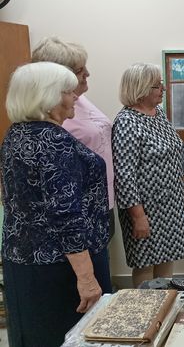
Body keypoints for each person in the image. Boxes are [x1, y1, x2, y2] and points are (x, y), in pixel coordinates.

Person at [1, 62, 111, 347]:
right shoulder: (54, 142)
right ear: (48, 97)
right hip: (62, 269)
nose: (75, 96)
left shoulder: (17, 134)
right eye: (67, 91)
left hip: (24, 263)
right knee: (71, 337)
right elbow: (65, 215)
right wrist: (87, 278)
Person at [112, 63, 184, 288]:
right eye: (157, 86)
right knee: (145, 263)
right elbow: (124, 174)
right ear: (140, 89)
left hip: (170, 204)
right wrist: (138, 216)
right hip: (145, 208)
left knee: (167, 257)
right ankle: (146, 308)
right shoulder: (126, 122)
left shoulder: (158, 115)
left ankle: (165, 304)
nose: (163, 89)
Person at [31, 36, 116, 240]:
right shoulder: (51, 116)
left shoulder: (80, 100)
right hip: (78, 210)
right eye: (79, 70)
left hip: (102, 201)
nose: (87, 74)